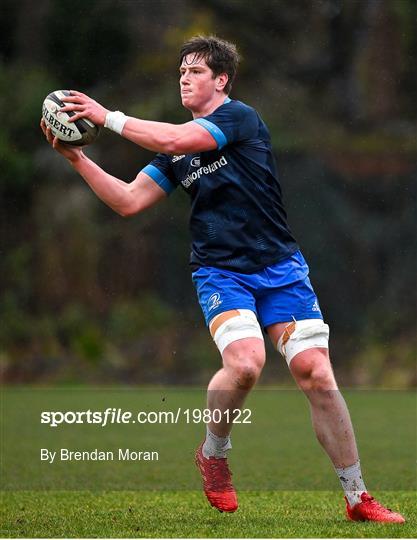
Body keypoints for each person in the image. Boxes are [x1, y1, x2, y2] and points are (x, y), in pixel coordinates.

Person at [40, 35, 405, 523]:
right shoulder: (176, 154)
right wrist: (77, 159)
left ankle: (358, 497)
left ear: (221, 80)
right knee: (247, 363)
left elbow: (175, 138)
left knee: (317, 373)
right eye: (181, 72)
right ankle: (214, 453)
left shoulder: (238, 119)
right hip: (221, 272)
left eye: (195, 71)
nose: (184, 78)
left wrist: (108, 117)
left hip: (280, 268)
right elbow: (128, 200)